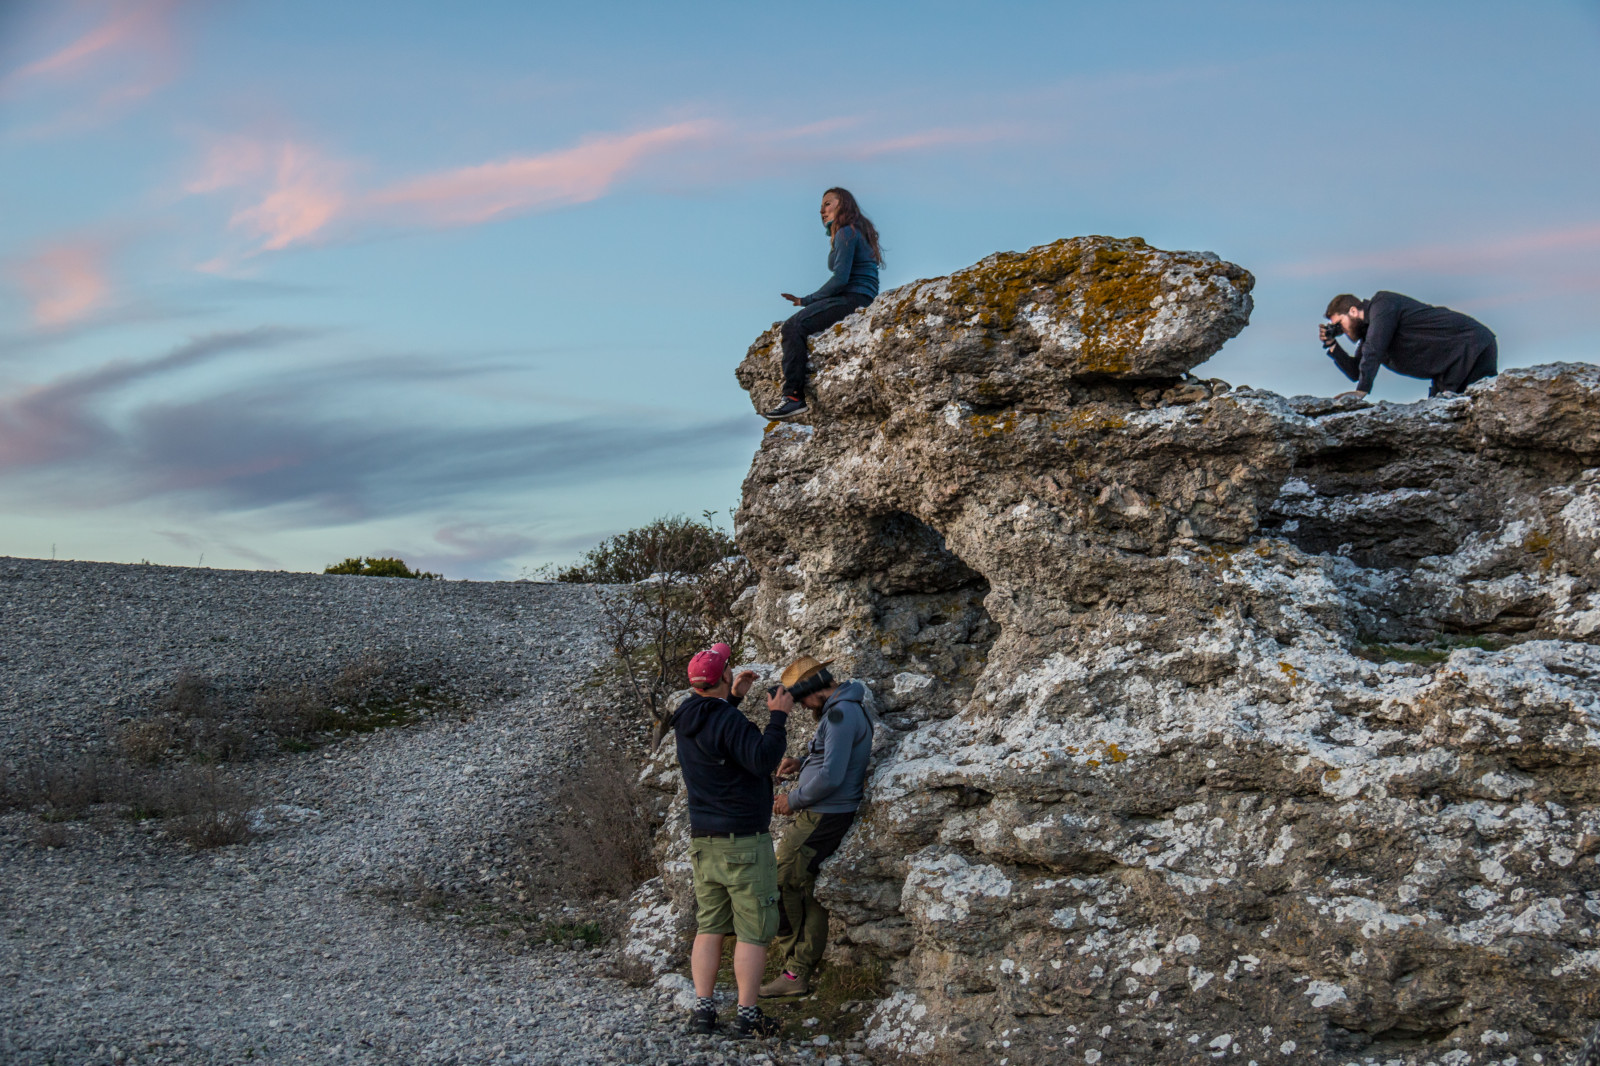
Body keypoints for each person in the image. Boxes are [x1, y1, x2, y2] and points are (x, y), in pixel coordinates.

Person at [669, 642, 792, 1038]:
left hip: (704, 842)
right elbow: (761, 758)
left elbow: (715, 732)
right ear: (722, 677)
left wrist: (734, 697)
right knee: (753, 931)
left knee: (710, 927)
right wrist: (778, 717)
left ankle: (703, 1013)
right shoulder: (728, 721)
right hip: (743, 841)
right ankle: (748, 1015)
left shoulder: (685, 715)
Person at [760, 656, 874, 998]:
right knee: (802, 888)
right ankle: (798, 970)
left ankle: (795, 971)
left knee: (779, 884)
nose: (802, 705)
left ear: (813, 690)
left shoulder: (840, 714)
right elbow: (829, 758)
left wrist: (791, 800)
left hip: (822, 815)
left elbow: (832, 776)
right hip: (823, 812)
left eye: (801, 698)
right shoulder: (840, 709)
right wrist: (802, 761)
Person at [763, 188, 883, 421]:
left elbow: (840, 280)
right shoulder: (851, 232)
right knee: (797, 325)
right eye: (821, 206)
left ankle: (793, 398)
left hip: (852, 297)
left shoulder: (846, 233)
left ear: (843, 205)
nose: (821, 210)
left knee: (793, 327)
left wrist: (806, 300)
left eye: (828, 204)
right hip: (859, 296)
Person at [1320, 291, 1498, 400]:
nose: (1341, 330)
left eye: (1340, 323)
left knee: (1478, 413)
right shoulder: (1370, 333)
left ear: (1352, 311)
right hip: (1451, 367)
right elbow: (1355, 371)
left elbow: (1374, 349)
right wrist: (1332, 345)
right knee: (1441, 421)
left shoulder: (1382, 305)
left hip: (1473, 346)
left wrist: (1362, 390)